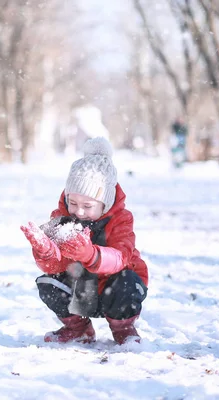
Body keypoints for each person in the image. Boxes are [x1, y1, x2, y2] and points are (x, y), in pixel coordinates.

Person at [20, 137, 148, 345]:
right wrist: (45, 252)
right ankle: (78, 328)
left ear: (105, 203)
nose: (78, 211)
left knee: (127, 283)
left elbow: (121, 257)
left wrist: (91, 255)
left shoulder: (121, 220)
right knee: (48, 283)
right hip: (82, 290)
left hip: (113, 289)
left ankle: (123, 329)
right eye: (73, 203)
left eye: (87, 206)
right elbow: (56, 266)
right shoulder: (61, 218)